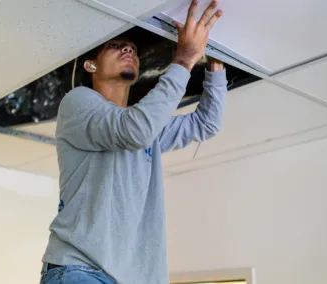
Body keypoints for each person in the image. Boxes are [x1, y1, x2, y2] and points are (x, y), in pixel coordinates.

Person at [40, 0, 227, 283]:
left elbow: (206, 123)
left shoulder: (145, 125)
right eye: (115, 46)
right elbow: (133, 131)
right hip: (80, 269)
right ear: (91, 65)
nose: (128, 49)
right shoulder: (78, 103)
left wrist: (215, 63)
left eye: (133, 49)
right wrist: (185, 59)